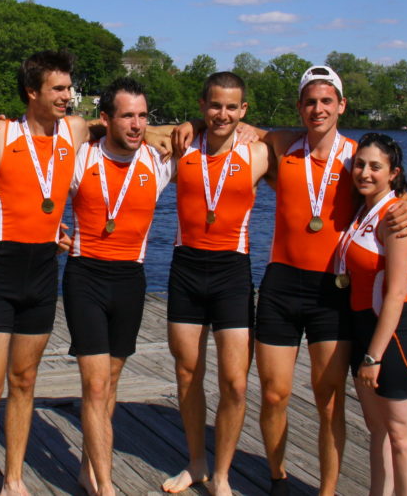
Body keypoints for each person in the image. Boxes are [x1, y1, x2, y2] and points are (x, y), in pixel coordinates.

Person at [172, 65, 407, 496]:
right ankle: (278, 477)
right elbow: (227, 124)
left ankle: (326, 491)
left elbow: (389, 189)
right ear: (299, 108)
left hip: (331, 290)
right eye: (310, 102)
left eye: (327, 101)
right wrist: (192, 122)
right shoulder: (280, 147)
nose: (319, 109)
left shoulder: (355, 158)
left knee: (328, 400)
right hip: (280, 286)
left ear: (342, 106)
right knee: (273, 395)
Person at [0, 50, 91, 496]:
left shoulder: (74, 130)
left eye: (68, 87)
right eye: (58, 89)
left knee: (24, 382)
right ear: (32, 92)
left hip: (42, 271)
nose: (68, 96)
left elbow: (128, 128)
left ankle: (13, 478)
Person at [59, 77, 170, 496]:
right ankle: (105, 486)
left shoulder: (159, 162)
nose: (137, 124)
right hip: (85, 275)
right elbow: (37, 191)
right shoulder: (80, 156)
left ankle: (89, 468)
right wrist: (52, 228)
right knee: (96, 384)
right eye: (127, 115)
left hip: (131, 279)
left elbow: (212, 139)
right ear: (106, 119)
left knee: (111, 384)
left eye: (143, 116)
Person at [161, 72, 267, 496]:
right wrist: (188, 126)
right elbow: (122, 129)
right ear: (203, 106)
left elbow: (305, 136)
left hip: (232, 272)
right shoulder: (180, 147)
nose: (222, 114)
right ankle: (197, 462)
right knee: (187, 374)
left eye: (231, 107)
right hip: (185, 268)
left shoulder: (259, 153)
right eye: (214, 106)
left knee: (235, 382)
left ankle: (222, 474)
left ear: (242, 111)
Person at [339, 133, 407, 495]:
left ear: (394, 173)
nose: (365, 172)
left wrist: (373, 356)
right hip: (364, 331)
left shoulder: (396, 216)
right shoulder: (362, 210)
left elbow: (393, 294)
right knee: (378, 432)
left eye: (376, 166)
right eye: (360, 164)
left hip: (394, 338)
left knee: (402, 436)